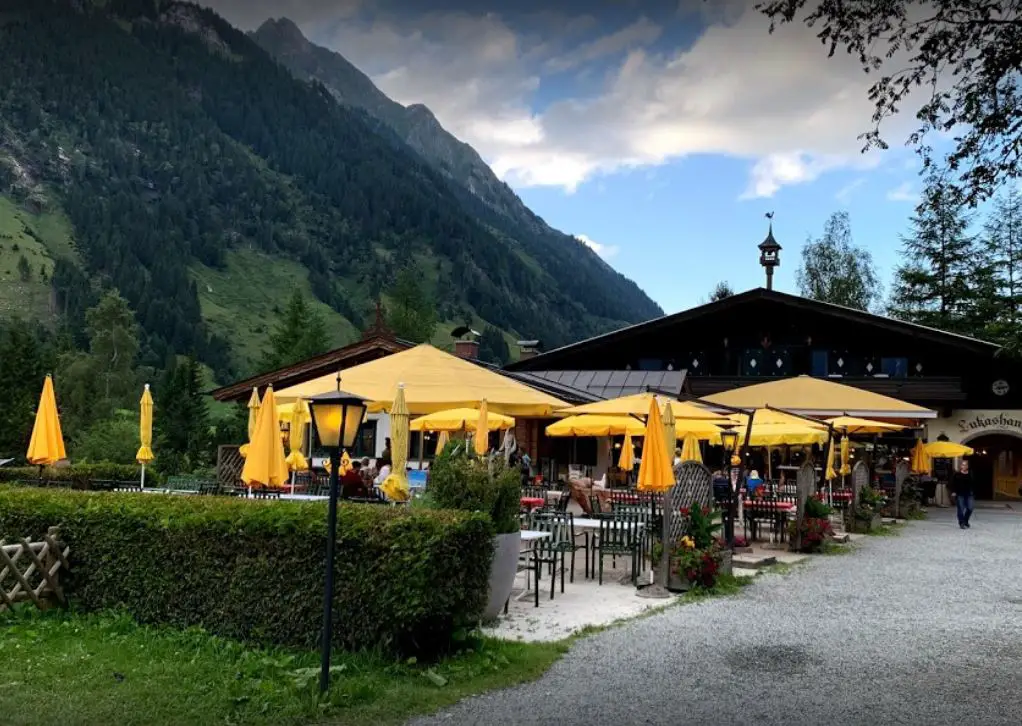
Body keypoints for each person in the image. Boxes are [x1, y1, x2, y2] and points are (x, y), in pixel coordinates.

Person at [951, 459, 975, 529]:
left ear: (967, 466)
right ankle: (961, 523)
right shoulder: (957, 474)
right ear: (961, 466)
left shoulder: (971, 474)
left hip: (969, 493)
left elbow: (974, 483)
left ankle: (965, 521)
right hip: (960, 494)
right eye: (963, 465)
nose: (964, 466)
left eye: (965, 465)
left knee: (970, 508)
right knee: (961, 509)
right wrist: (953, 491)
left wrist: (973, 491)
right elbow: (953, 483)